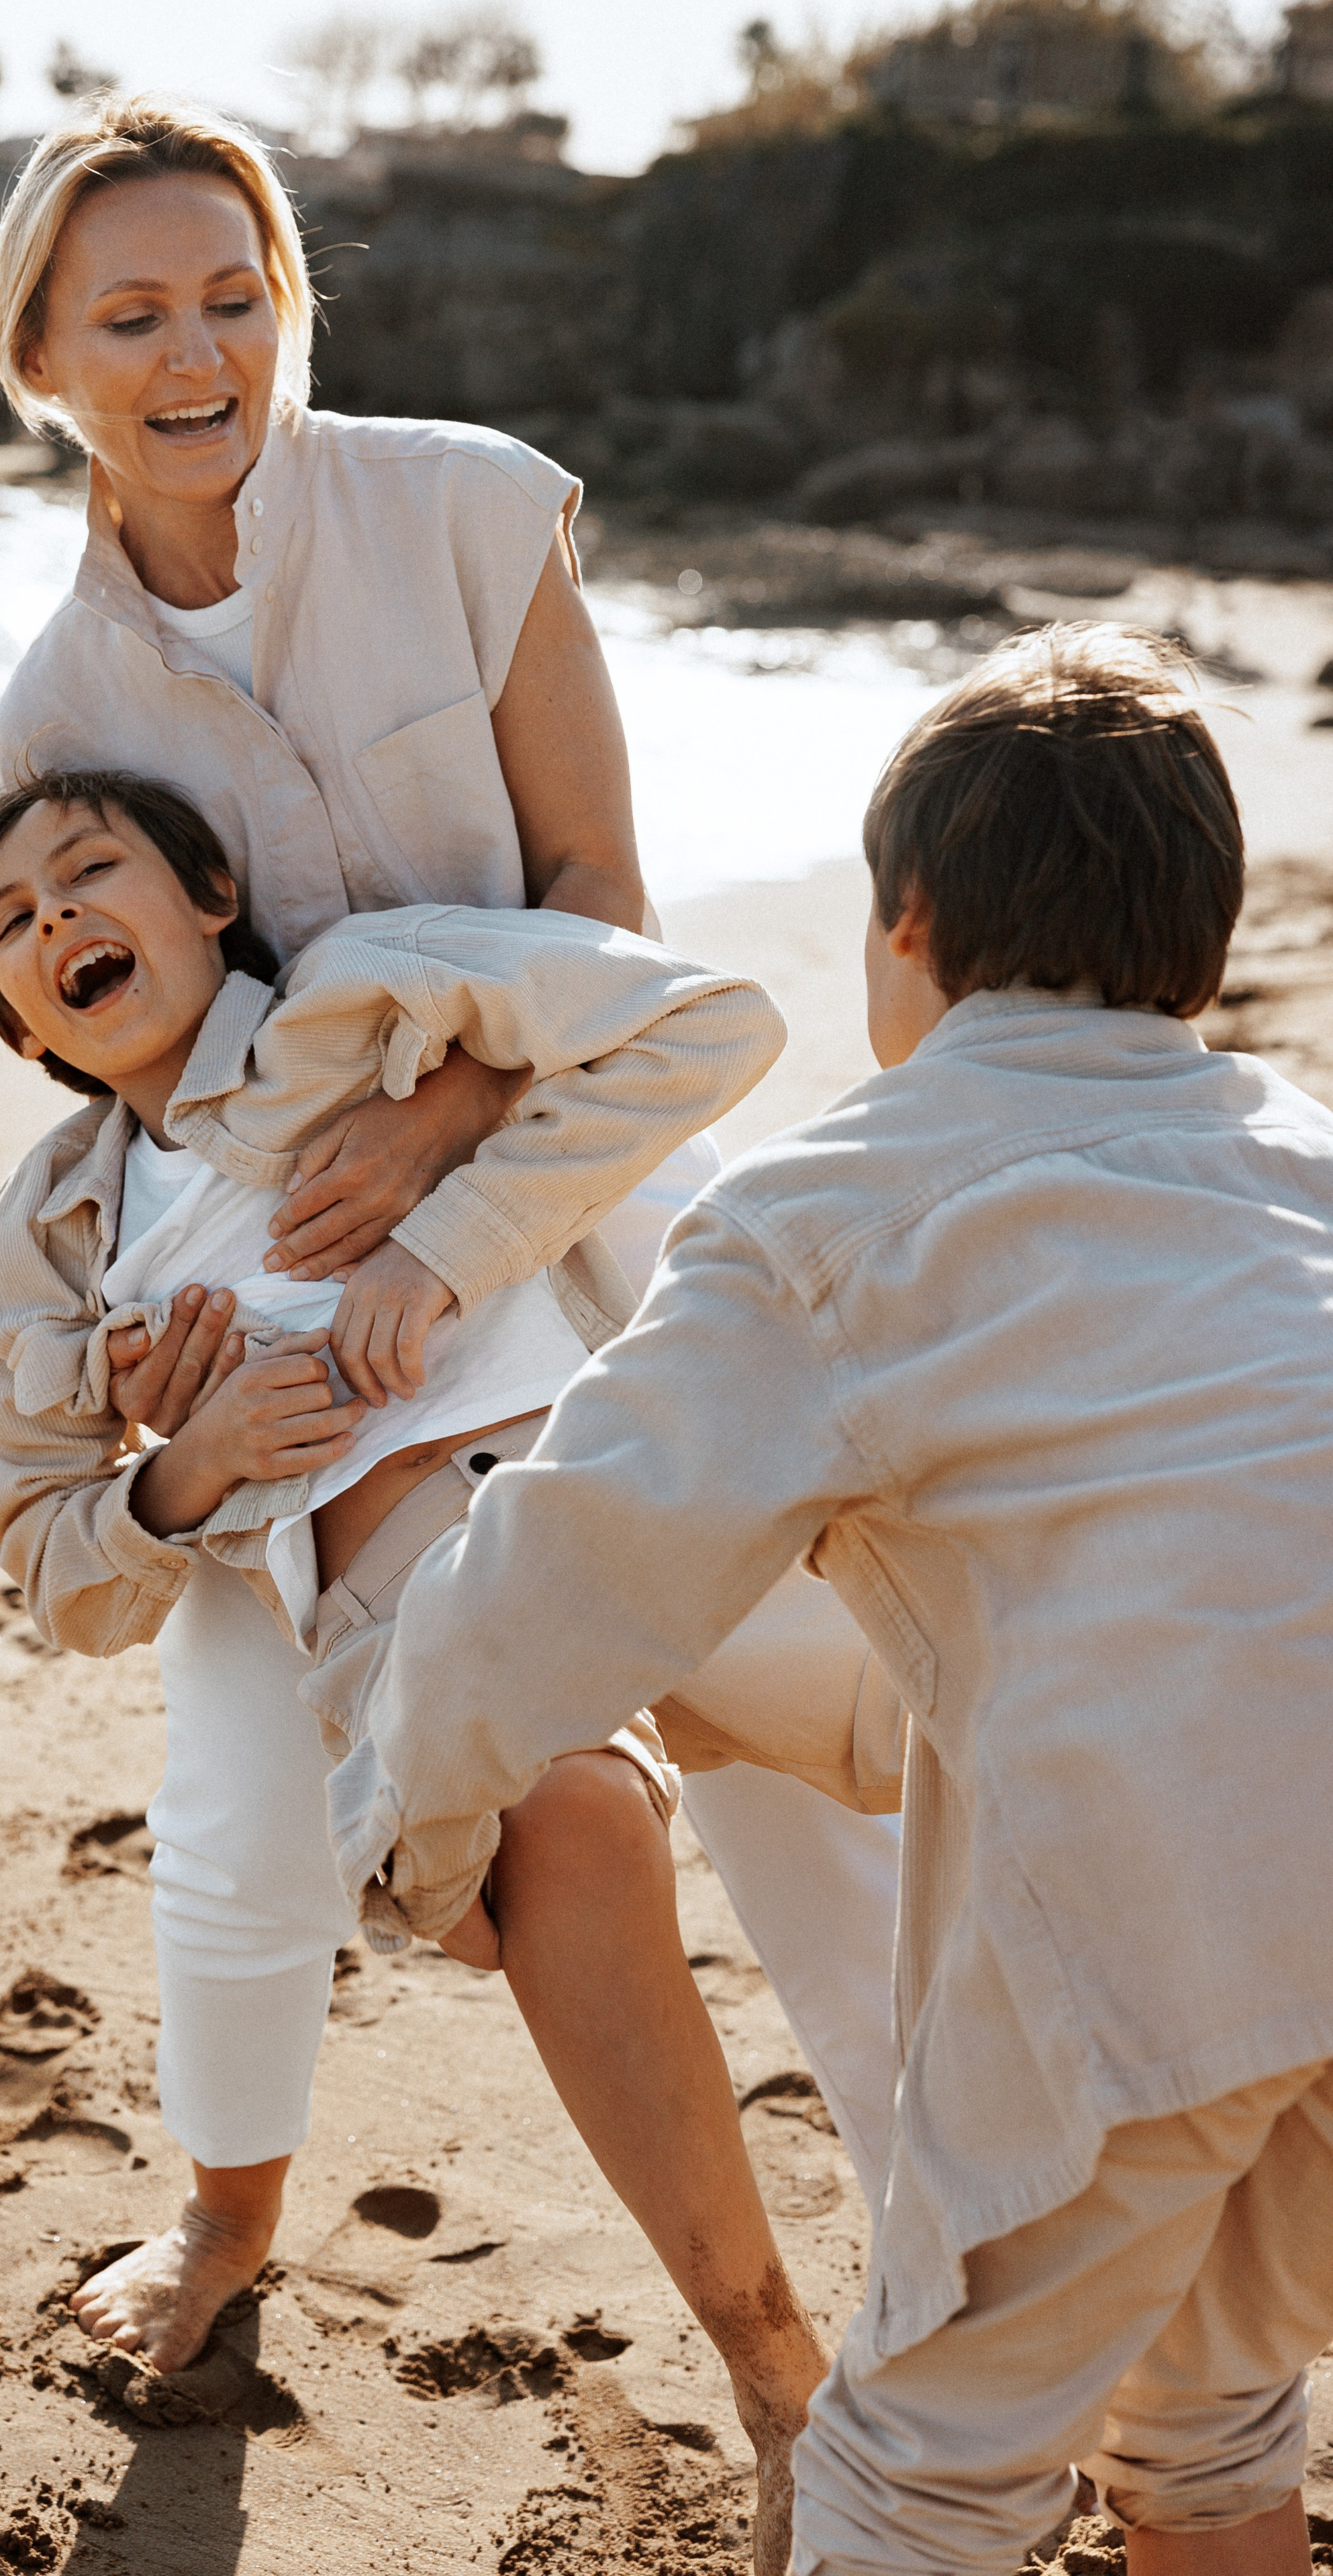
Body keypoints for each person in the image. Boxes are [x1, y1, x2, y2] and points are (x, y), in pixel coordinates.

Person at [0, 70, 903, 2400]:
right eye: (133, 317)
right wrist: (170, 1392)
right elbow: (123, 1004)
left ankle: (981, 2308)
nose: (198, 357)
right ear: (41, 361)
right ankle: (222, 2226)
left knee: (819, 1796)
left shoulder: (472, 512)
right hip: (301, 1289)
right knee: (231, 1808)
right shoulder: (60, 702)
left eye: (233, 295)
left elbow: (605, 901)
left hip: (572, 1165)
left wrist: (454, 1127)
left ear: (284, 302)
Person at [326, 625, 1333, 2576]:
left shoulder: (825, 1218)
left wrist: (416, 1831)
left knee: (916, 2483)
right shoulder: (1307, 1162)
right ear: (1202, 946)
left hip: (1173, 1931)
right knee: (1204, 2405)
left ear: (909, 926)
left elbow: (549, 1576)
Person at [0, 766, 865, 2568]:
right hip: (427, 1599)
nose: (56, 921)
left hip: (651, 1482)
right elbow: (58, 1574)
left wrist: (445, 1216)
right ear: (13, 1021)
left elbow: (707, 1024)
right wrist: (193, 1472)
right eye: (12, 925)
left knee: (977, 1727)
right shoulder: (61, 1228)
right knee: (565, 1833)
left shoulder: (380, 998)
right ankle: (783, 2389)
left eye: (87, 873)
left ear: (212, 891)